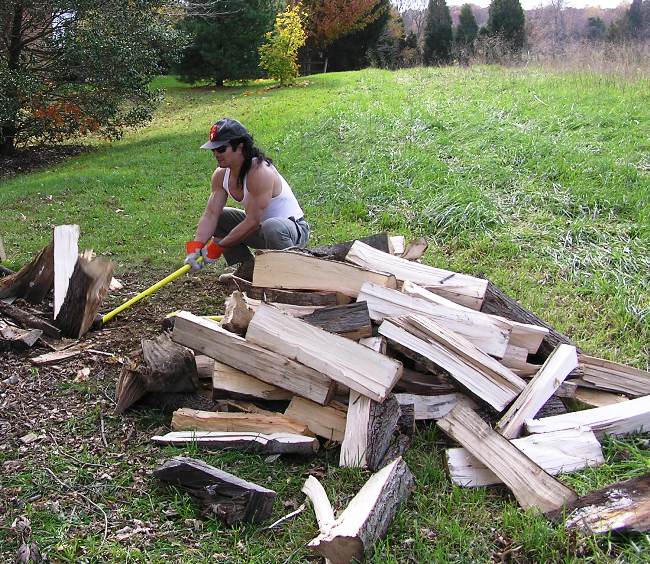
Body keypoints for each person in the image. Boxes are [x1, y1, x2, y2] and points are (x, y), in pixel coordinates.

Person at [184, 118, 310, 274]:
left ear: (240, 146)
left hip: (290, 231)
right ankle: (247, 270)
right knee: (221, 218)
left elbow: (252, 221)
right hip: (261, 230)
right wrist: (195, 247)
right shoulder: (220, 175)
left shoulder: (259, 172)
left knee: (272, 227)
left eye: (221, 148)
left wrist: (217, 248)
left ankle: (291, 272)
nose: (216, 154)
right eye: (213, 149)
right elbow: (211, 214)